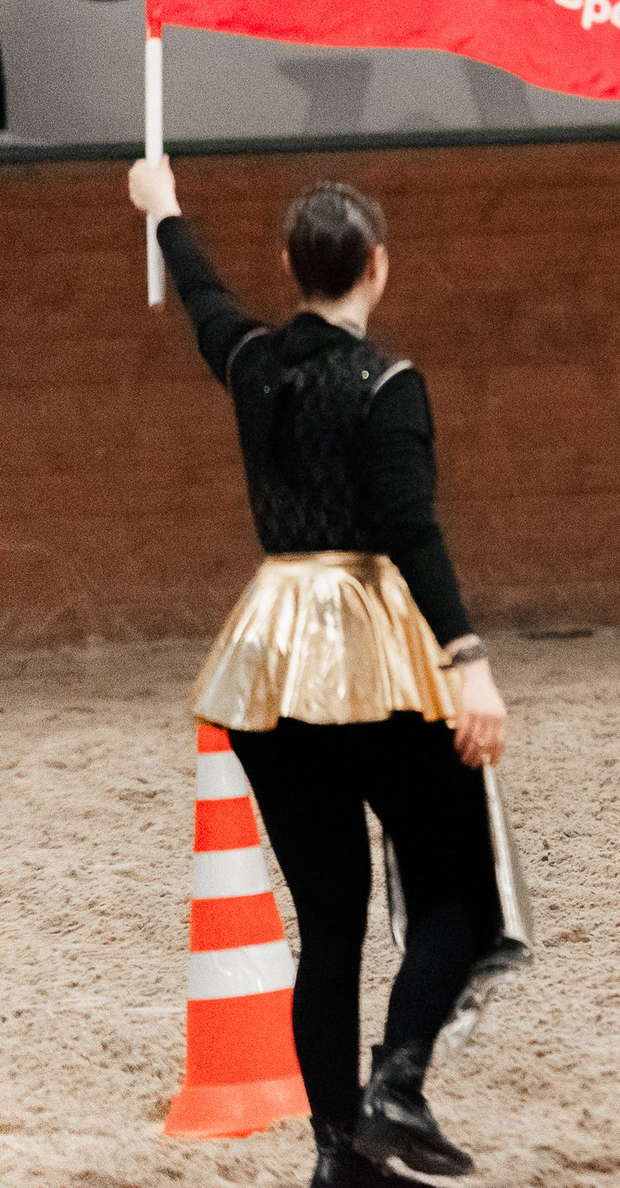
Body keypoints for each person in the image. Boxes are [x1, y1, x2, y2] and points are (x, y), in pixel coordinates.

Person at [127, 159, 506, 1187]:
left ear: (292, 267)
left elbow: (206, 303)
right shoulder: (388, 384)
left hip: (269, 651)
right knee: (461, 886)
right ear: (376, 267)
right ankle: (398, 1081)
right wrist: (467, 657)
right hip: (371, 646)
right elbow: (410, 530)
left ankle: (338, 1149)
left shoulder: (253, 363)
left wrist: (164, 213)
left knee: (328, 915)